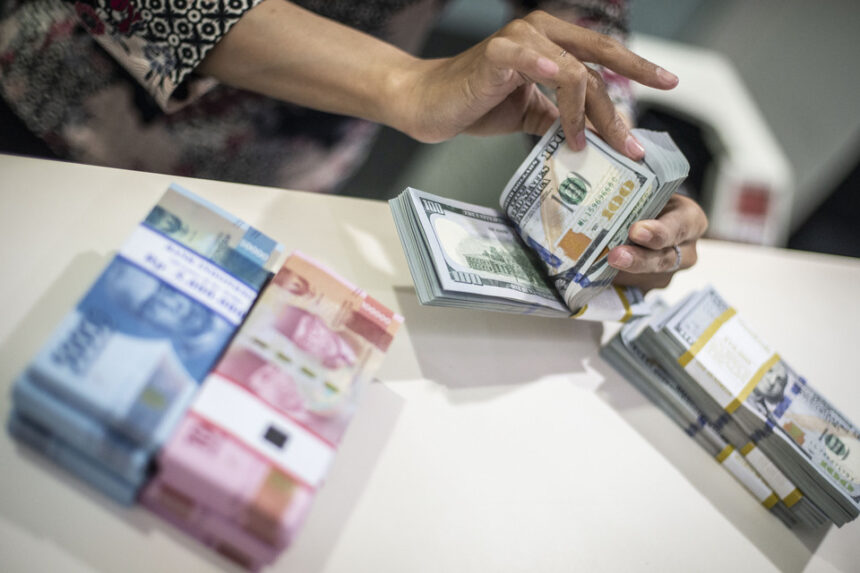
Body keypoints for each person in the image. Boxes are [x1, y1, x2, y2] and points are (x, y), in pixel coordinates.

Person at [0, 0, 707, 290]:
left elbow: (582, 13)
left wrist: (620, 164)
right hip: (57, 133)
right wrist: (404, 82)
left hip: (283, 177)